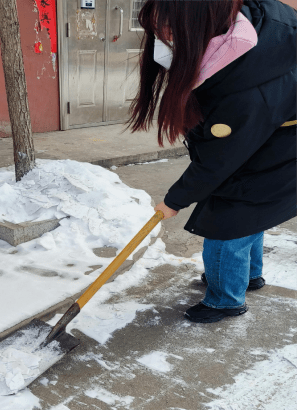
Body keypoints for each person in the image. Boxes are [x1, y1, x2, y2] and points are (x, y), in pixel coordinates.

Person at [124, 0, 297, 323]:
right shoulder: (247, 19)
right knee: (248, 218)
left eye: (172, 29)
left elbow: (218, 161)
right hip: (268, 146)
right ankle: (247, 276)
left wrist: (174, 201)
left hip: (273, 158)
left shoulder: (244, 86)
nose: (162, 36)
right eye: (157, 27)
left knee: (225, 225)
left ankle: (225, 299)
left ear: (201, 20)